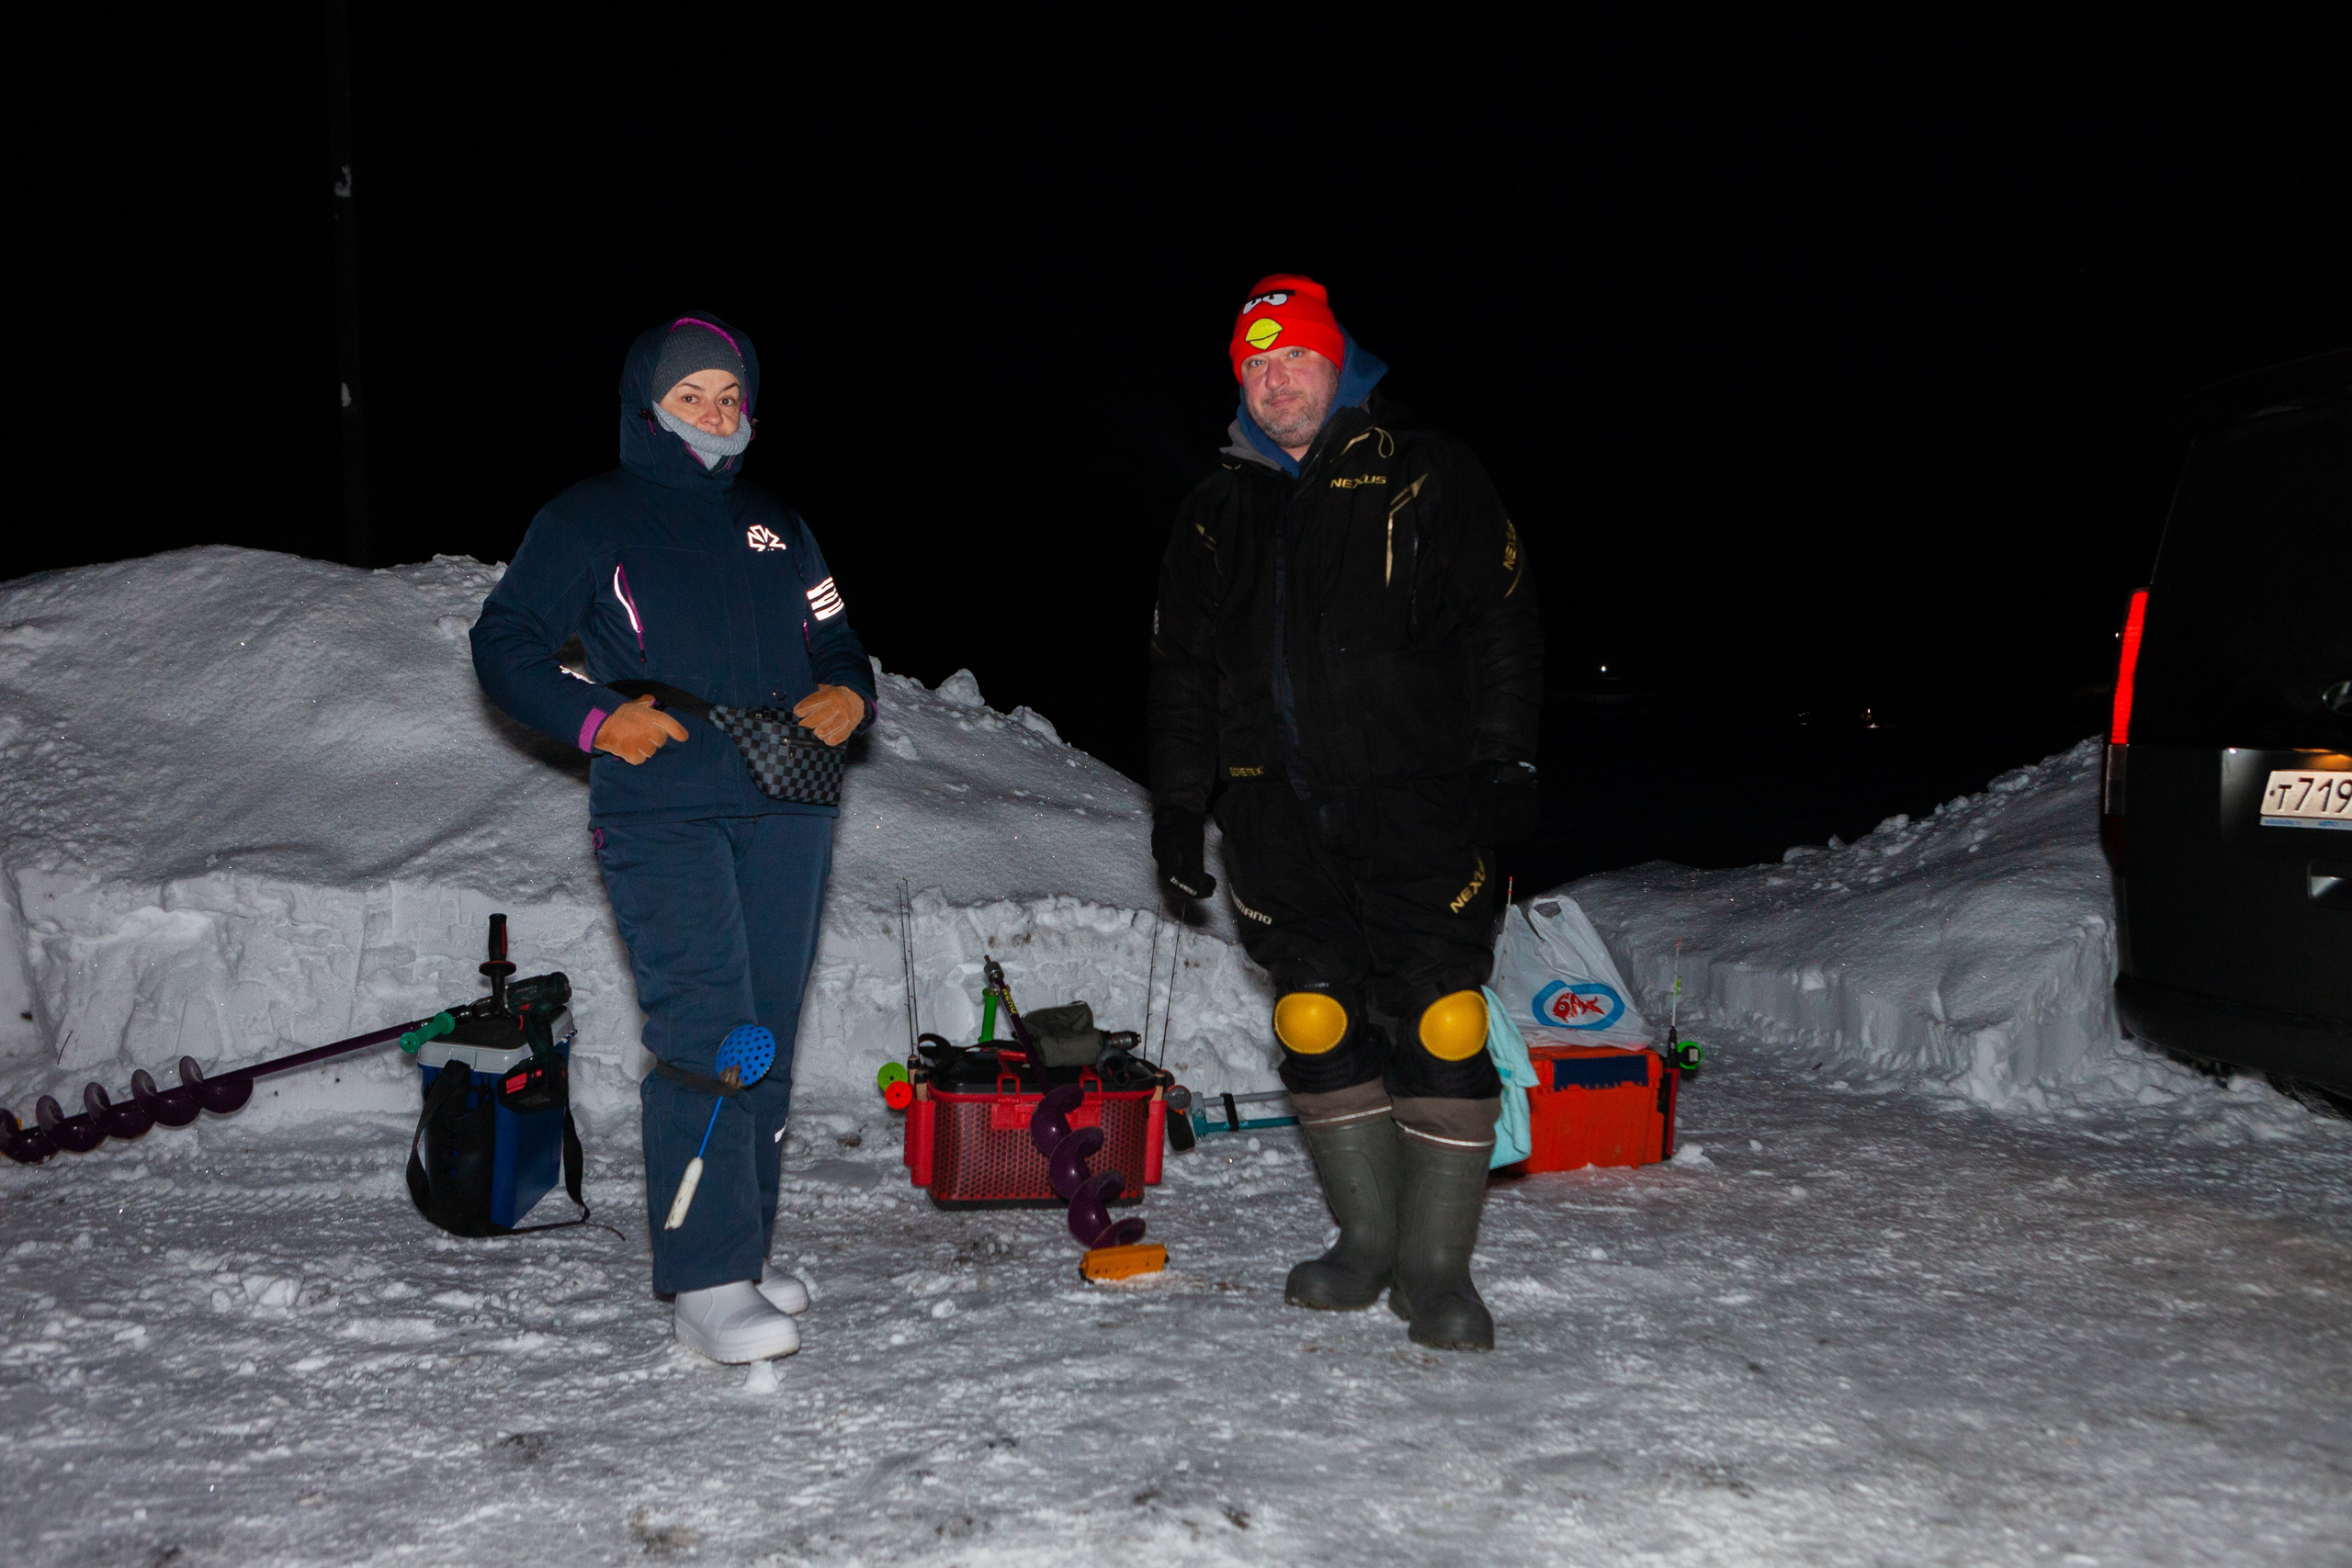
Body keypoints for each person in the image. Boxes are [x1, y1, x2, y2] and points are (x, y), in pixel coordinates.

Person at [470, 312, 875, 1362]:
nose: (713, 411)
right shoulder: (591, 517)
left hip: (789, 802)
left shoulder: (781, 526)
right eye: (690, 394)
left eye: (728, 394)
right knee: (708, 1029)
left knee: (763, 1039)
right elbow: (505, 642)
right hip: (666, 810)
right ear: (648, 405)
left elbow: (838, 641)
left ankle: (739, 1243)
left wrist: (847, 693)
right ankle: (705, 1281)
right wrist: (598, 719)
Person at [1149, 276, 1543, 1350]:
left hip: (1420, 805)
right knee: (1314, 1019)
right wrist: (1181, 809)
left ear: (1338, 364)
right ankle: (1366, 1246)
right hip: (1276, 822)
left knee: (1441, 1021)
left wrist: (1505, 755)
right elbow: (1182, 674)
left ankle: (1434, 1272)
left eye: (1296, 360)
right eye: (1256, 367)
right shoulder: (1214, 512)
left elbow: (1501, 621)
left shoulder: (1424, 473)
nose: (1277, 382)